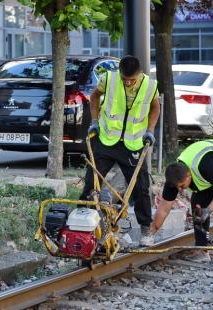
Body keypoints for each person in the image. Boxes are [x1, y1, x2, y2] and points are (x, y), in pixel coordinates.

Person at [80, 55, 160, 246]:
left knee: (141, 188)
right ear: (120, 73)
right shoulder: (109, 79)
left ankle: (146, 230)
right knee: (91, 183)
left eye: (132, 79)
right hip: (107, 140)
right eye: (125, 79)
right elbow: (94, 96)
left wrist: (149, 131)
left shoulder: (149, 85)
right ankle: (83, 226)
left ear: (139, 73)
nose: (128, 82)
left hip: (133, 144)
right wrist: (94, 121)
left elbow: (155, 107)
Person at [150, 139, 213, 268]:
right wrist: (150, 233)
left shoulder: (205, 166)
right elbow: (163, 208)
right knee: (198, 205)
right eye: (178, 188)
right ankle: (202, 250)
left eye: (182, 186)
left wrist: (209, 209)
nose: (181, 190)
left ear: (189, 175)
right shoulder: (174, 178)